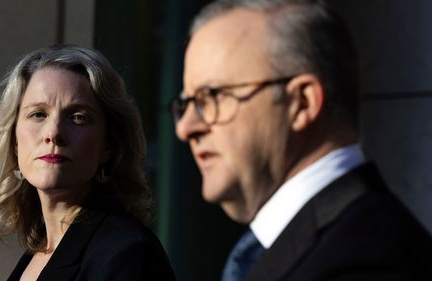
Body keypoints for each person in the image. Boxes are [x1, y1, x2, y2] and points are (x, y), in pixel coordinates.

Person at [171, 0, 432, 280]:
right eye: (186, 104)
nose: (186, 128)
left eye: (211, 97)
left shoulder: (366, 260)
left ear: (302, 103)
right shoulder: (303, 245)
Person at [0, 44, 176, 281]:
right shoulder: (38, 252)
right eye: (38, 114)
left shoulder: (127, 252)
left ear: (107, 145)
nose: (53, 133)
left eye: (78, 117)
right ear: (15, 142)